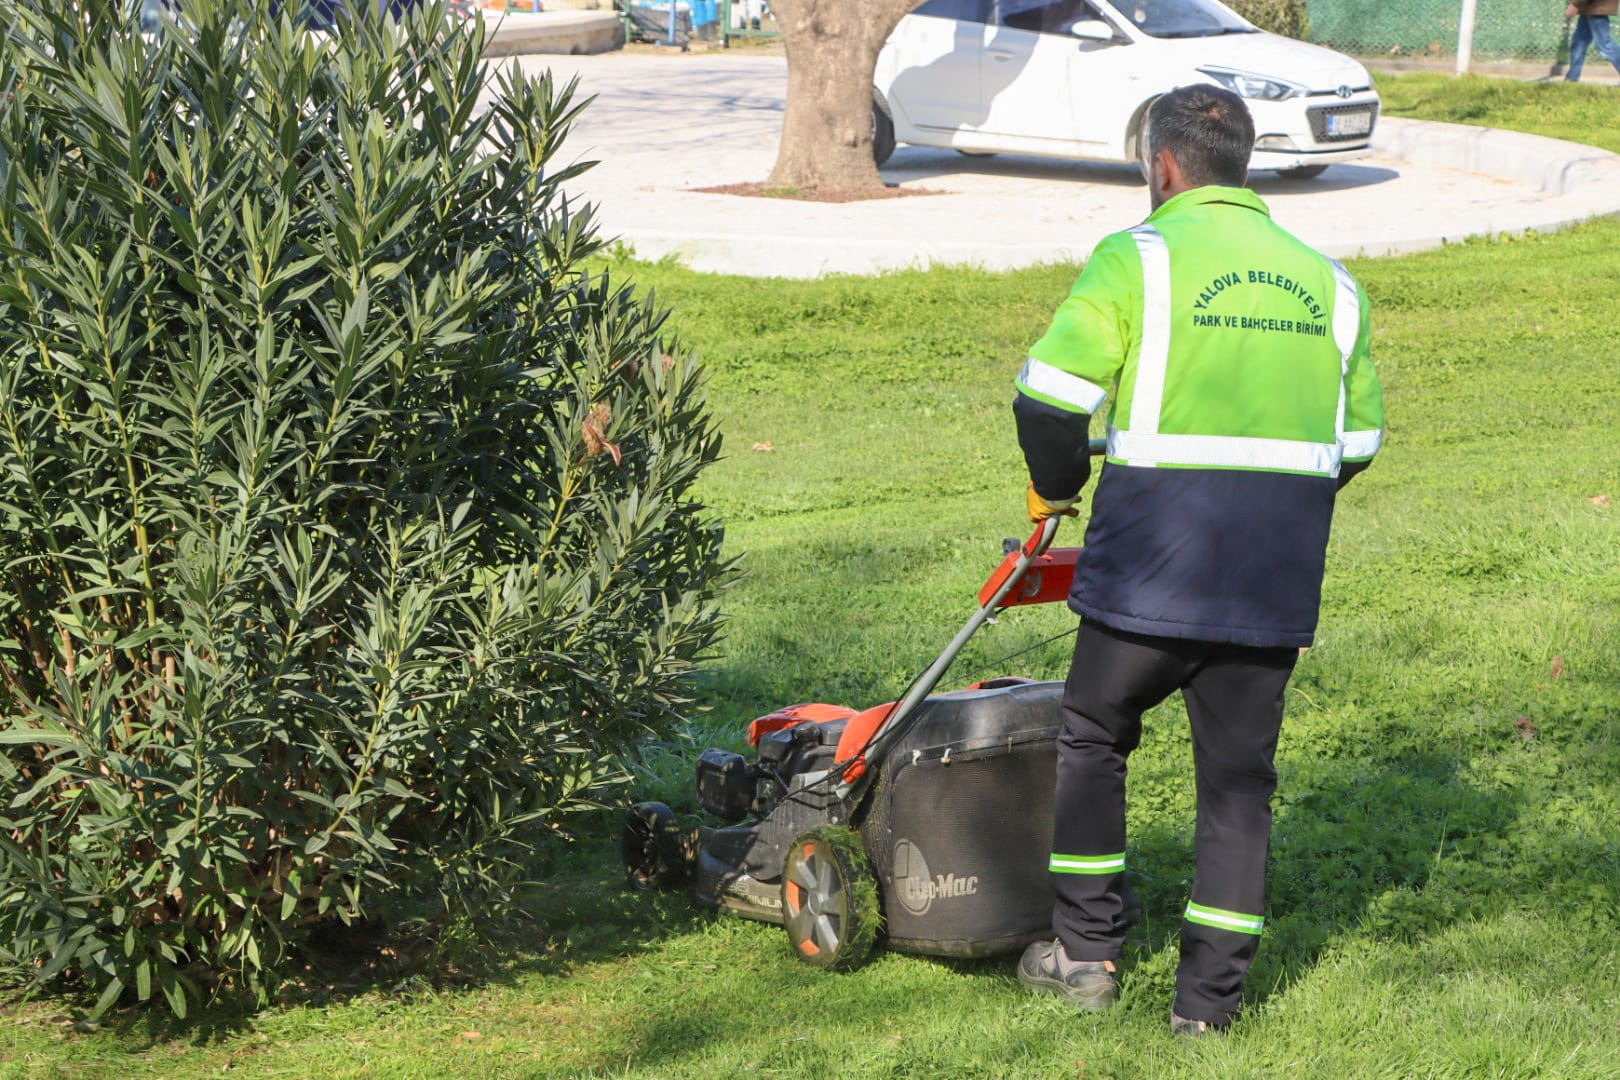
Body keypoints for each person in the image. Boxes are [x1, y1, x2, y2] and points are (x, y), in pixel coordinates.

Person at [1009, 84, 1384, 1036]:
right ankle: (1208, 1011)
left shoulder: (1137, 258)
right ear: (1243, 164)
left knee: (1094, 740)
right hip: (1269, 582)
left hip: (1147, 574)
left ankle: (1085, 954)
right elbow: (1358, 442)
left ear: (1163, 166)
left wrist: (1057, 489)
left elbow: (1049, 400)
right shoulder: (1332, 284)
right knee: (1238, 789)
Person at [1566, 1, 1620, 81]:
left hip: (1596, 6)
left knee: (1604, 45)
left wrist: (1575, 4)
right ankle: (1572, 78)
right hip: (1589, 7)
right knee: (1578, 44)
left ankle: (1572, 78)